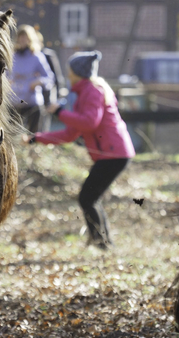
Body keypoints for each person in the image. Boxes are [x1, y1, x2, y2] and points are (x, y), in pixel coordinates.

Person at [24, 50, 135, 249]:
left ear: (78, 72)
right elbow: (70, 134)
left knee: (87, 197)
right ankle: (102, 241)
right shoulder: (84, 92)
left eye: (70, 71)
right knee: (90, 198)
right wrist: (37, 138)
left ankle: (101, 243)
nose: (68, 74)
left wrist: (60, 112)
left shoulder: (93, 90)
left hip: (113, 153)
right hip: (111, 153)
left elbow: (90, 122)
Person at [10, 25, 55, 133]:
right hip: (14, 102)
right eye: (20, 37)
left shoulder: (37, 57)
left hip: (32, 102)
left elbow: (49, 78)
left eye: (25, 37)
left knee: (33, 135)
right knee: (12, 135)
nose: (22, 40)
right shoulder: (12, 56)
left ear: (30, 39)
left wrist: (38, 82)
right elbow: (5, 75)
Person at [36, 31, 66, 131]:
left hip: (46, 94)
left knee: (44, 123)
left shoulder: (48, 55)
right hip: (31, 96)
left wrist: (58, 96)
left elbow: (57, 76)